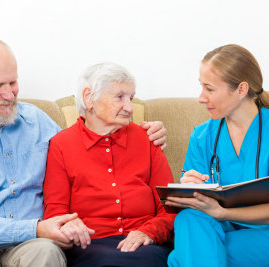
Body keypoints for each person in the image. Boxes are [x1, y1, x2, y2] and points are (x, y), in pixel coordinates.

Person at [0, 36, 168, 267]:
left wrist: (148, 135)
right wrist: (34, 228)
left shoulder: (36, 121)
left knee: (46, 251)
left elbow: (83, 145)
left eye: (13, 82)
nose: (8, 94)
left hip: (30, 247)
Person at [164, 44, 269, 267]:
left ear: (241, 90)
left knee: (181, 258)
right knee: (188, 218)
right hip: (222, 226)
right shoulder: (202, 136)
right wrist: (188, 189)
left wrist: (222, 212)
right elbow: (198, 207)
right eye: (201, 87)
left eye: (210, 89)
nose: (201, 98)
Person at [43, 62, 176, 267]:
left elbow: (170, 207)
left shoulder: (147, 139)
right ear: (89, 98)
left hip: (145, 244)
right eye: (119, 97)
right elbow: (56, 212)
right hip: (91, 246)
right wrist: (70, 226)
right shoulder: (62, 144)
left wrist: (148, 232)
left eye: (130, 98)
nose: (130, 108)